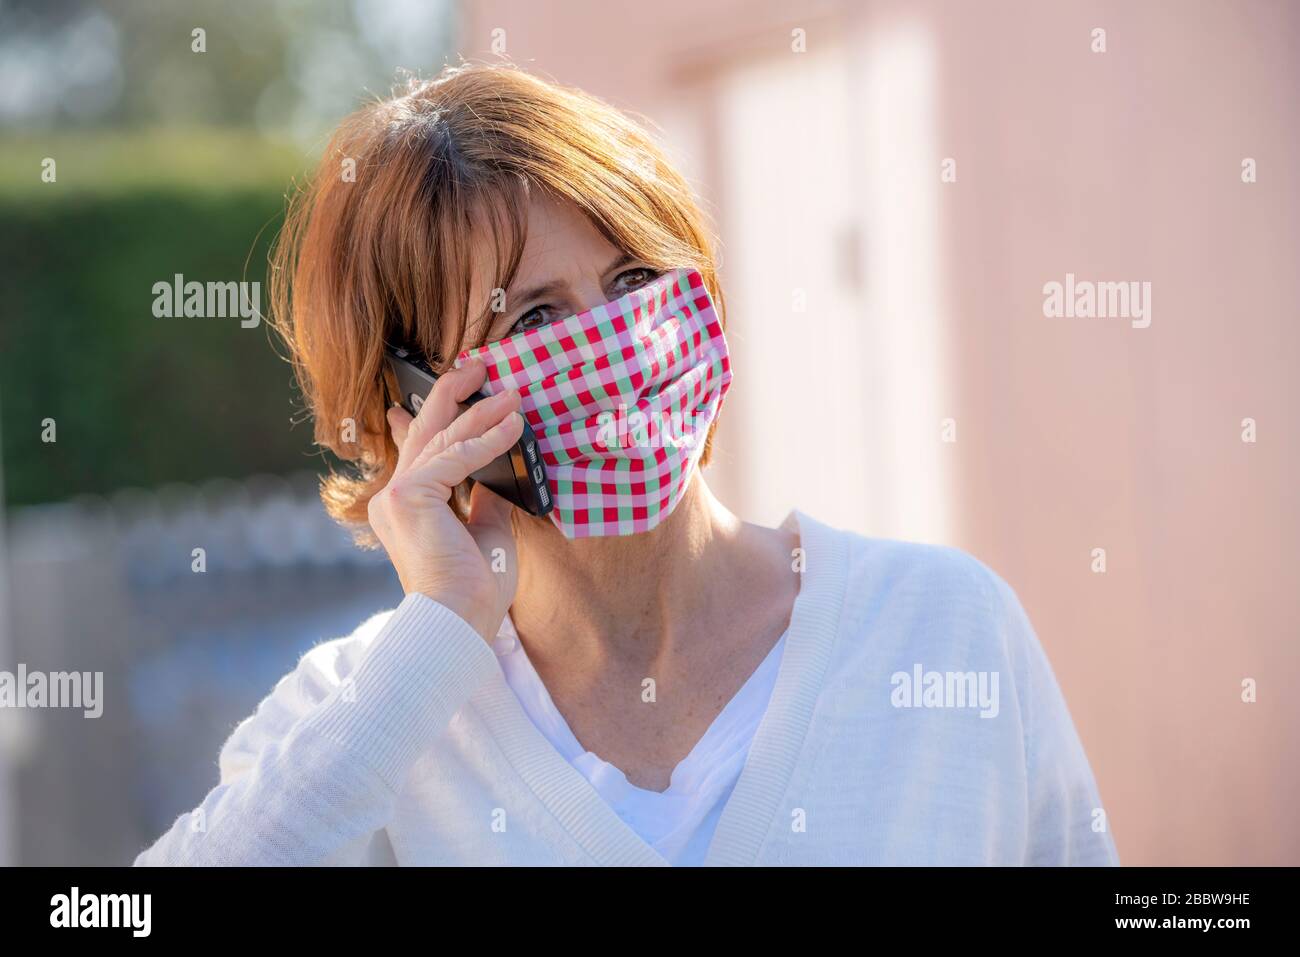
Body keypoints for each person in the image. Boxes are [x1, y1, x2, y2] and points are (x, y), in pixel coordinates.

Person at [133, 63, 1119, 866]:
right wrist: (439, 631)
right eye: (535, 319)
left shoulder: (944, 627)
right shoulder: (371, 710)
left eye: (636, 278)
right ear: (409, 401)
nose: (621, 341)